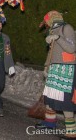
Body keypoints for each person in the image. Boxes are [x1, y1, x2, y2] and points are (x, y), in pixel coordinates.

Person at [35, 11, 76, 139]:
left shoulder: (66, 28)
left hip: (66, 70)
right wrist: (47, 66)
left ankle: (71, 131)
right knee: (50, 97)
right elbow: (51, 53)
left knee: (65, 101)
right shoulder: (53, 31)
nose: (46, 24)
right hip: (54, 68)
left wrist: (58, 38)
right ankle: (49, 123)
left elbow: (72, 48)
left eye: (46, 21)